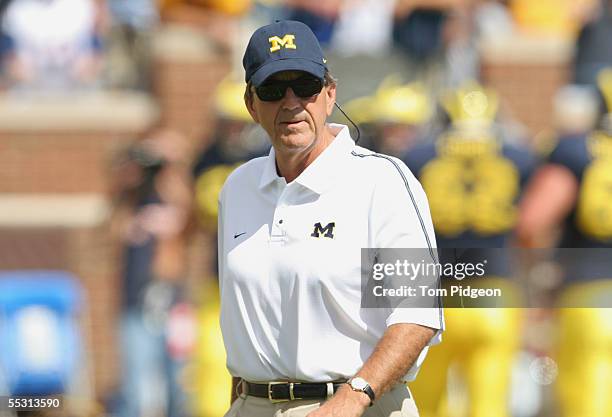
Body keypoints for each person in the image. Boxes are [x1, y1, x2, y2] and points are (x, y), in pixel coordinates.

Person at [217, 20, 443, 417]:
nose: (291, 103)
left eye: (304, 86)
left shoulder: (381, 180)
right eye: (273, 89)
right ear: (251, 104)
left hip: (359, 405)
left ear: (329, 94)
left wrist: (353, 397)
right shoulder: (237, 187)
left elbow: (418, 314)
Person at [403, 81, 536, 417]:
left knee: (425, 403)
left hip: (435, 298)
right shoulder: (519, 156)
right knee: (489, 404)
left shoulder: (417, 155)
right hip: (495, 295)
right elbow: (532, 223)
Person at [517, 68, 612, 417]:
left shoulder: (578, 151)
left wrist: (540, 273)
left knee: (588, 402)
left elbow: (532, 222)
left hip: (593, 295)